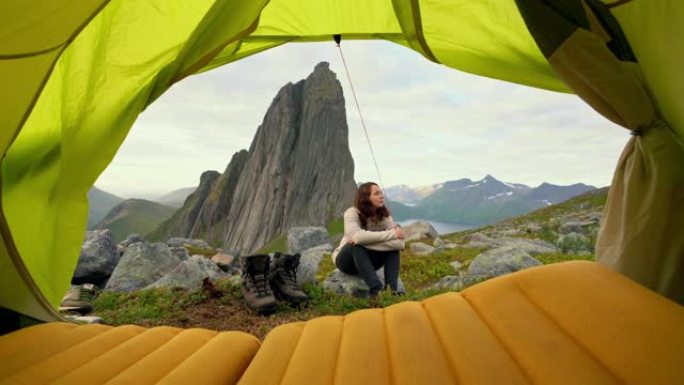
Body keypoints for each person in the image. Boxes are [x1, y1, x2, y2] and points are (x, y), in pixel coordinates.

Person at [331, 182, 405, 296]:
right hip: (346, 261)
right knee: (355, 246)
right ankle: (376, 290)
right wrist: (392, 234)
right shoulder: (352, 213)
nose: (381, 196)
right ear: (366, 198)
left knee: (393, 249)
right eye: (376, 193)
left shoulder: (384, 214)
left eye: (381, 192)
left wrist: (364, 241)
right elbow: (357, 237)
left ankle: (391, 291)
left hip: (370, 261)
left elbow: (400, 243)